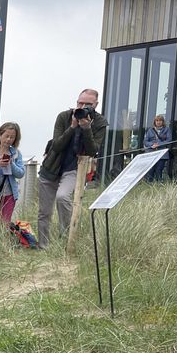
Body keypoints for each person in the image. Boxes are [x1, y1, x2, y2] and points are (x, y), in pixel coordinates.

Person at [36, 89, 107, 248]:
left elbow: (92, 151)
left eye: (87, 104)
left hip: (74, 168)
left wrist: (86, 129)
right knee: (44, 211)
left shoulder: (100, 123)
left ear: (95, 105)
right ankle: (43, 247)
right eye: (80, 103)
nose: (82, 107)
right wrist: (73, 127)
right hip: (51, 168)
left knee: (62, 197)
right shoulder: (64, 117)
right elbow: (57, 145)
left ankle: (65, 242)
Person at [145, 115, 170, 182]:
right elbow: (145, 141)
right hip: (152, 153)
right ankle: (149, 186)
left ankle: (159, 185)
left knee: (159, 170)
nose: (158, 122)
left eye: (160, 120)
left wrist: (158, 145)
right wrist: (152, 144)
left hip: (162, 154)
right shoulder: (150, 130)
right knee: (151, 170)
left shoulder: (167, 129)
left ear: (163, 122)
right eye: (157, 120)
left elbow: (169, 140)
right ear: (155, 122)